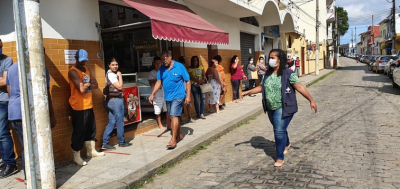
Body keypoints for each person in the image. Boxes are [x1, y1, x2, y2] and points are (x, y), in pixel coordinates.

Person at [243, 49, 317, 167]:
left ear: (280, 59)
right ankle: (286, 143)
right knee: (280, 129)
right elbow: (262, 87)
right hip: (270, 107)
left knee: (278, 131)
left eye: (273, 57)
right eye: (270, 57)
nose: (270, 60)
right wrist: (248, 92)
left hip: (283, 106)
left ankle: (279, 157)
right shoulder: (267, 74)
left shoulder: (288, 73)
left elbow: (299, 87)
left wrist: (311, 100)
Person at [6, 58, 56, 180]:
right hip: (33, 111)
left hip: (14, 111)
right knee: (38, 145)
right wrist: (52, 114)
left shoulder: (11, 69)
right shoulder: (40, 68)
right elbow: (46, 93)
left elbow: (9, 92)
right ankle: (41, 177)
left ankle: (29, 178)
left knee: (25, 146)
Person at [68, 49, 105, 166]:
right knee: (79, 131)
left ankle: (91, 151)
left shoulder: (87, 70)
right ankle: (76, 157)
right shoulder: (73, 71)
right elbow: (82, 89)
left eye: (85, 61)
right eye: (81, 61)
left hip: (88, 104)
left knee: (91, 129)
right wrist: (88, 84)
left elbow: (96, 84)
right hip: (78, 106)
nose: (83, 63)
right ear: (76, 58)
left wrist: (87, 84)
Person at [149, 51, 191, 150]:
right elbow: (159, 82)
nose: (164, 61)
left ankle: (173, 139)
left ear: (170, 57)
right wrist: (152, 94)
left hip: (179, 96)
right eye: (162, 59)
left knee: (173, 115)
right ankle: (179, 134)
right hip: (167, 97)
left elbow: (188, 81)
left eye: (165, 59)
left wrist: (188, 96)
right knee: (174, 117)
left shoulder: (179, 66)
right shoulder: (161, 69)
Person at [102, 58, 132, 150]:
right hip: (115, 101)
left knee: (112, 121)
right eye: (113, 65)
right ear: (109, 65)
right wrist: (120, 75)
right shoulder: (112, 75)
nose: (115, 66)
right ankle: (121, 142)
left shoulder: (109, 74)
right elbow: (119, 87)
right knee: (119, 121)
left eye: (116, 64)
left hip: (111, 100)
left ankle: (105, 143)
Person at [0, 38, 17, 178]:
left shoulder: (7, 60)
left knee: (3, 133)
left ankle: (10, 163)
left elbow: (5, 81)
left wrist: (1, 80)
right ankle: (5, 160)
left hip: (3, 101)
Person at [148, 56, 170, 130]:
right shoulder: (152, 73)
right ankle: (160, 124)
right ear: (153, 64)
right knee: (158, 111)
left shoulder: (164, 71)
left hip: (165, 93)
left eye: (159, 63)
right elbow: (151, 83)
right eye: (156, 63)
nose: (158, 64)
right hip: (157, 95)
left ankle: (168, 123)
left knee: (167, 109)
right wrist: (158, 80)